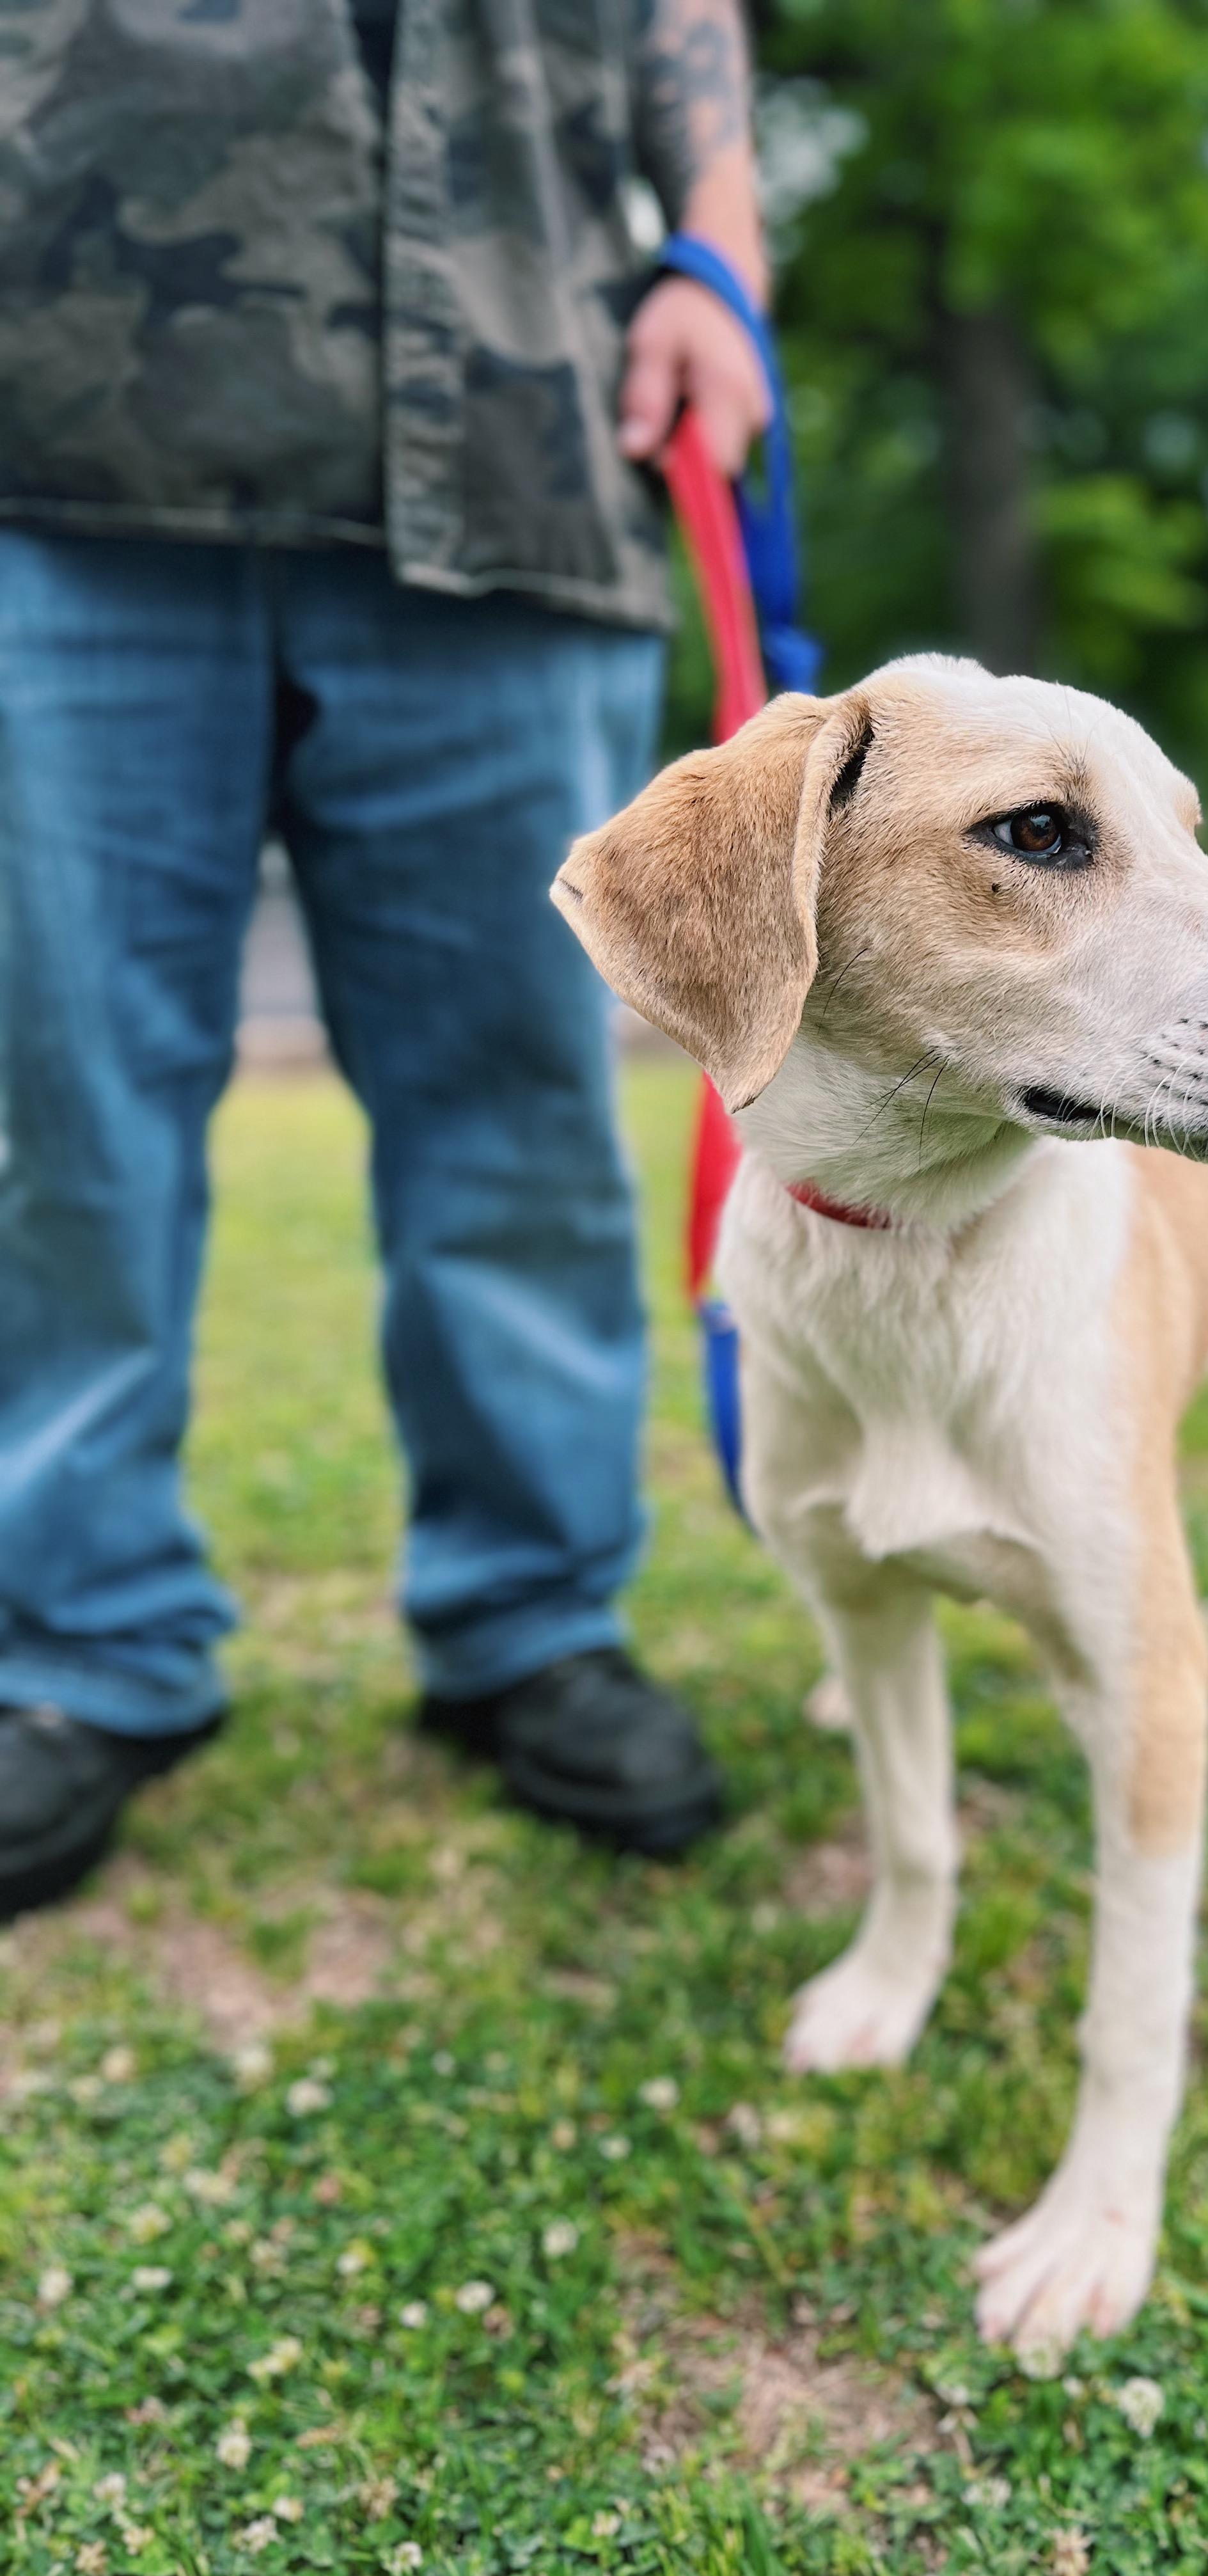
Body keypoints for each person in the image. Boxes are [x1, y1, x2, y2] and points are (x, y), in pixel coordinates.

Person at [0, 0, 774, 1917]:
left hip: (513, 449)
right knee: (69, 1107)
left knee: (516, 1116)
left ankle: (529, 1621)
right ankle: (83, 1647)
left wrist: (723, 249)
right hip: (54, 440)